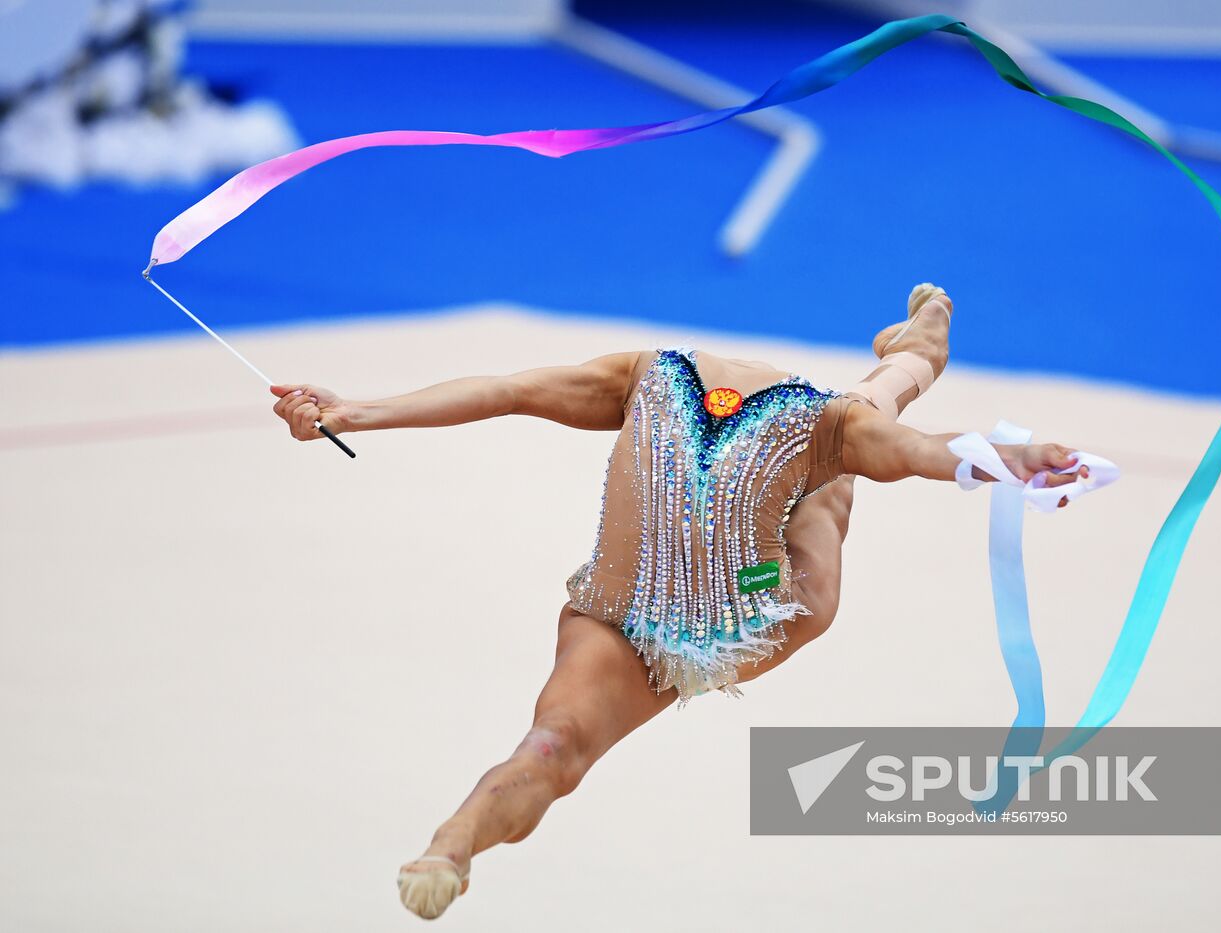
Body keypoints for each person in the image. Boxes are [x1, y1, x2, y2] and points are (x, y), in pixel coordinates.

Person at [268, 284, 1088, 920]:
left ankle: (921, 344)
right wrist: (354, 412)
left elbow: (921, 452)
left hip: (766, 605)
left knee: (863, 433)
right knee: (551, 747)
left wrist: (1010, 459)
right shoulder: (641, 375)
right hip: (620, 618)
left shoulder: (826, 427)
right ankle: (452, 843)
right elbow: (504, 389)